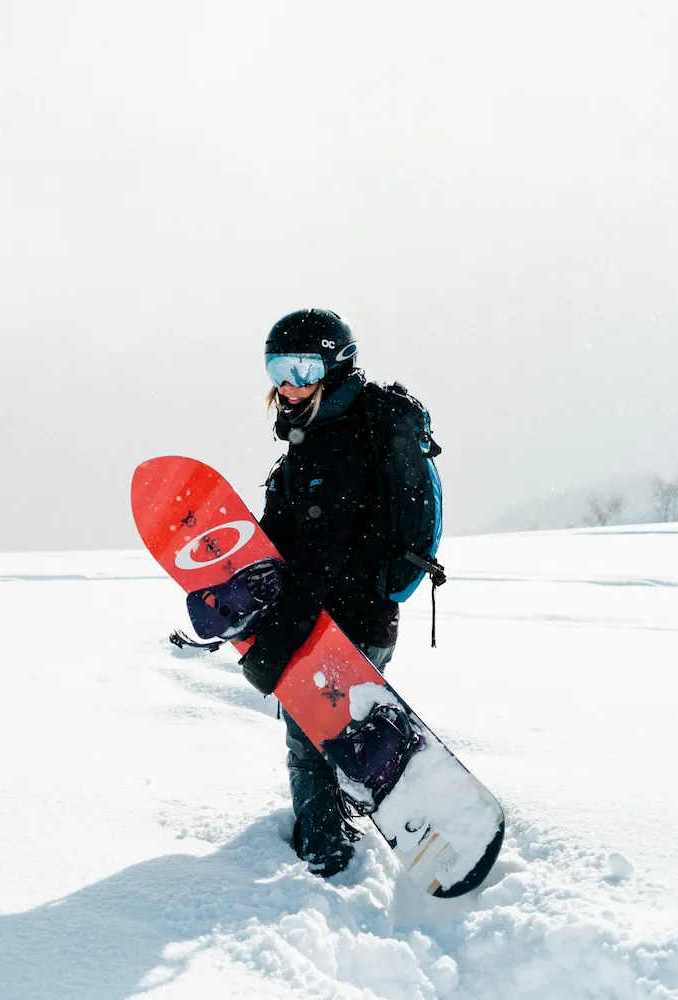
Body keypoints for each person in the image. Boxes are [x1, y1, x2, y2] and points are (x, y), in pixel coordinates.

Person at [237, 308, 400, 878]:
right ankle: (342, 826)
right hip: (356, 620)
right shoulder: (326, 432)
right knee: (334, 737)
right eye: (277, 368)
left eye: (304, 369)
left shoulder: (336, 445)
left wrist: (276, 645)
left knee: (310, 748)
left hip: (338, 626)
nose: (288, 384)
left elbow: (317, 563)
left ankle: (327, 863)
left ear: (336, 368)